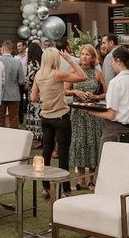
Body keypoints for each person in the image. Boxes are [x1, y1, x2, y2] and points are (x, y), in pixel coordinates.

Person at [30, 47, 88, 198]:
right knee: (63, 154)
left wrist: (48, 94)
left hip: (45, 117)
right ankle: (65, 190)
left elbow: (33, 97)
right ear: (55, 60)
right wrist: (70, 60)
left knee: (46, 152)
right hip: (61, 117)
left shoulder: (39, 75)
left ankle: (45, 187)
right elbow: (83, 77)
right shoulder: (57, 74)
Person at [85, 47, 129, 155]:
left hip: (114, 131)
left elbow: (111, 115)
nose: (111, 64)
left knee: (107, 168)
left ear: (118, 61)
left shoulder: (116, 82)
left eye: (112, 60)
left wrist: (91, 111)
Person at [66, 44, 106, 190]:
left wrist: (96, 96)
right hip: (78, 113)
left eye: (87, 54)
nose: (84, 57)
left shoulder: (97, 73)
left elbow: (107, 93)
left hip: (93, 114)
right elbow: (65, 90)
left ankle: (91, 180)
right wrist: (75, 93)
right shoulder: (73, 71)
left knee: (92, 144)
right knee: (79, 144)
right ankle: (79, 181)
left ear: (93, 57)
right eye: (82, 54)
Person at [0, 40, 25, 129]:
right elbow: (22, 80)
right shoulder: (17, 62)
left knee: (0, 117)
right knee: (14, 117)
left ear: (2, 49)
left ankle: (0, 137)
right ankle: (15, 138)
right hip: (14, 93)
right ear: (11, 49)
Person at [24, 42, 43, 148]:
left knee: (34, 115)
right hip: (43, 92)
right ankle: (43, 138)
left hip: (34, 92)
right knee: (41, 115)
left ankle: (35, 139)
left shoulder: (31, 64)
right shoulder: (43, 63)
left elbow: (29, 79)